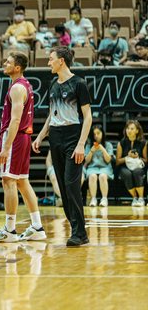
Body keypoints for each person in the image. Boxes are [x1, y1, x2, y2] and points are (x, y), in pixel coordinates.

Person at [33, 46, 92, 247]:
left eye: (51, 59)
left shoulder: (79, 83)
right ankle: (77, 229)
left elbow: (88, 117)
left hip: (73, 136)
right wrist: (41, 136)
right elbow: (52, 114)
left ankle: (80, 233)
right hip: (55, 137)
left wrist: (81, 144)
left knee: (71, 184)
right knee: (63, 186)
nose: (48, 63)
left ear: (61, 61)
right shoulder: (52, 84)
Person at [0, 52, 45, 243]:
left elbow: (16, 120)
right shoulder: (24, 85)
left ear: (17, 67)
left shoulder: (17, 88)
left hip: (16, 137)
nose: (5, 63)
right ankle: (37, 226)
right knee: (22, 182)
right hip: (23, 137)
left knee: (8, 181)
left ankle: (10, 230)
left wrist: (6, 147)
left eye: (8, 62)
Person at [116, 120, 147, 206]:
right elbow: (117, 162)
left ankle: (141, 198)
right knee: (127, 174)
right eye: (127, 128)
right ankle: (135, 198)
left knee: (137, 172)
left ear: (137, 131)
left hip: (138, 166)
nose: (129, 130)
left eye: (132, 129)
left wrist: (138, 157)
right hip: (124, 167)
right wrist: (127, 157)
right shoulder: (121, 143)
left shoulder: (143, 143)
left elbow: (146, 160)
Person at [84, 124, 114, 207]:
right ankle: (93, 199)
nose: (96, 136)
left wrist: (102, 149)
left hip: (105, 167)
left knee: (102, 176)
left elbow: (108, 160)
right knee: (92, 176)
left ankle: (104, 198)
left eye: (98, 133)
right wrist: (91, 151)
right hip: (92, 167)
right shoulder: (88, 145)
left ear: (102, 133)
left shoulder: (108, 145)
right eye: (94, 134)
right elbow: (87, 161)